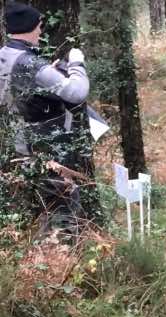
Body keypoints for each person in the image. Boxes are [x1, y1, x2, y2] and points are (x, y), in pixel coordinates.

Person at [0, 2, 91, 235]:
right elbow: (76, 92)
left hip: (20, 148)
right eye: (39, 26)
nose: (41, 31)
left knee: (39, 210)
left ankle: (44, 251)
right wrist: (77, 63)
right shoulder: (30, 64)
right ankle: (63, 252)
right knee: (62, 209)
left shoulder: (5, 56)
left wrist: (46, 76)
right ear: (29, 27)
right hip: (47, 151)